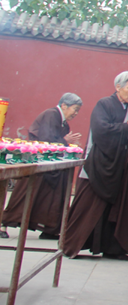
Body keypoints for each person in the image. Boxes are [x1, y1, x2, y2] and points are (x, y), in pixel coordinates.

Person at [63, 72, 128, 259]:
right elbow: (100, 131)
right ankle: (70, 243)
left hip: (120, 167)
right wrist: (126, 127)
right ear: (118, 87)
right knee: (87, 207)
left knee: (114, 210)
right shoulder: (104, 104)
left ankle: (112, 248)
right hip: (100, 164)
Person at [3, 94, 83, 238]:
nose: (75, 114)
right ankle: (4, 224)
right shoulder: (51, 115)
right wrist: (64, 140)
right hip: (38, 162)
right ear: (64, 105)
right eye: (74, 109)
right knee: (25, 195)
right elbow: (46, 139)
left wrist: (65, 142)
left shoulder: (63, 122)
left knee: (54, 195)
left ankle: (50, 228)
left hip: (50, 165)